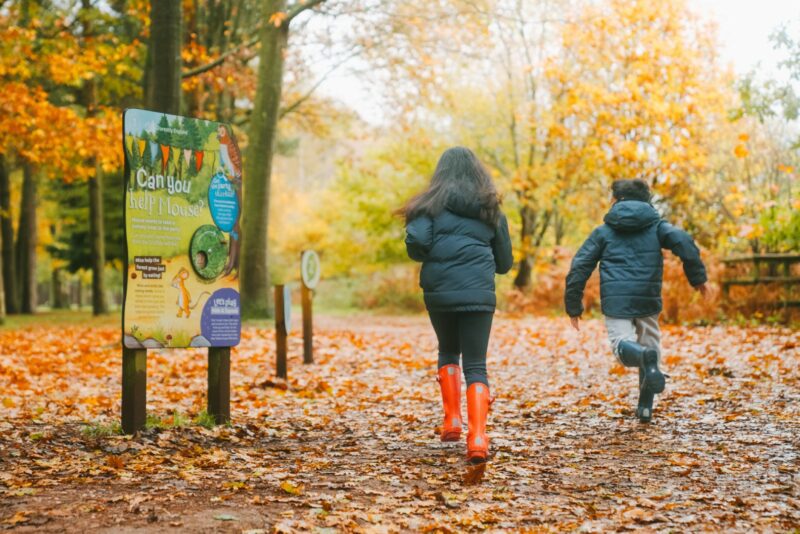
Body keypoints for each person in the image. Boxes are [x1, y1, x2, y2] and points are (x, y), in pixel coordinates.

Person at [400, 146, 513, 463]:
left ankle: (452, 420)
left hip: (439, 292)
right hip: (478, 293)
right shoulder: (490, 209)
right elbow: (504, 263)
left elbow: (417, 245)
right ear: (478, 173)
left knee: (448, 348)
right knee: (476, 364)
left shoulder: (427, 206)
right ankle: (477, 437)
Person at [564, 179, 708, 423]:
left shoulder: (604, 232)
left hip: (617, 301)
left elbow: (580, 265)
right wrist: (698, 278)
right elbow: (683, 241)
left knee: (624, 346)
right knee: (650, 347)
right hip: (648, 298)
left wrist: (573, 304)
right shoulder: (657, 227)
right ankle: (645, 408)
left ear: (615, 199)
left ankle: (643, 358)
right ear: (646, 200)